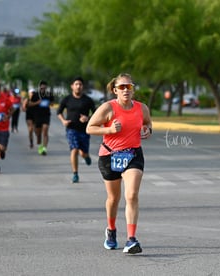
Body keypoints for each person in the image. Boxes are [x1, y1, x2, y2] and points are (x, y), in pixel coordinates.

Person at [86, 73, 152, 254]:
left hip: (133, 155)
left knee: (131, 195)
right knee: (114, 199)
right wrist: (109, 129)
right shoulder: (108, 108)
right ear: (115, 90)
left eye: (128, 86)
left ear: (133, 89)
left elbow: (147, 124)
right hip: (109, 155)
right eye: (121, 87)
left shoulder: (141, 108)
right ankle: (111, 230)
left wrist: (147, 130)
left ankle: (131, 239)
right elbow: (89, 127)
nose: (125, 90)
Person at [57, 77, 96, 183]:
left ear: (83, 87)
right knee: (74, 149)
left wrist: (87, 118)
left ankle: (86, 157)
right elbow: (59, 112)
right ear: (72, 86)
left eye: (80, 84)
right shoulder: (67, 99)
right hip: (71, 129)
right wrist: (63, 121)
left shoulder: (88, 100)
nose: (78, 86)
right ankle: (75, 174)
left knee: (83, 153)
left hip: (84, 130)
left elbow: (96, 114)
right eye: (76, 84)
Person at [29, 80, 54, 155]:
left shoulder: (49, 94)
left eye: (44, 86)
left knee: (45, 131)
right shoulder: (35, 95)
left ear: (46, 87)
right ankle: (40, 146)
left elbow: (52, 103)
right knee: (38, 133)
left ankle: (44, 148)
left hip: (46, 115)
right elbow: (30, 104)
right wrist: (37, 103)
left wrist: (49, 103)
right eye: (41, 86)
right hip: (37, 115)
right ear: (39, 87)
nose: (43, 87)